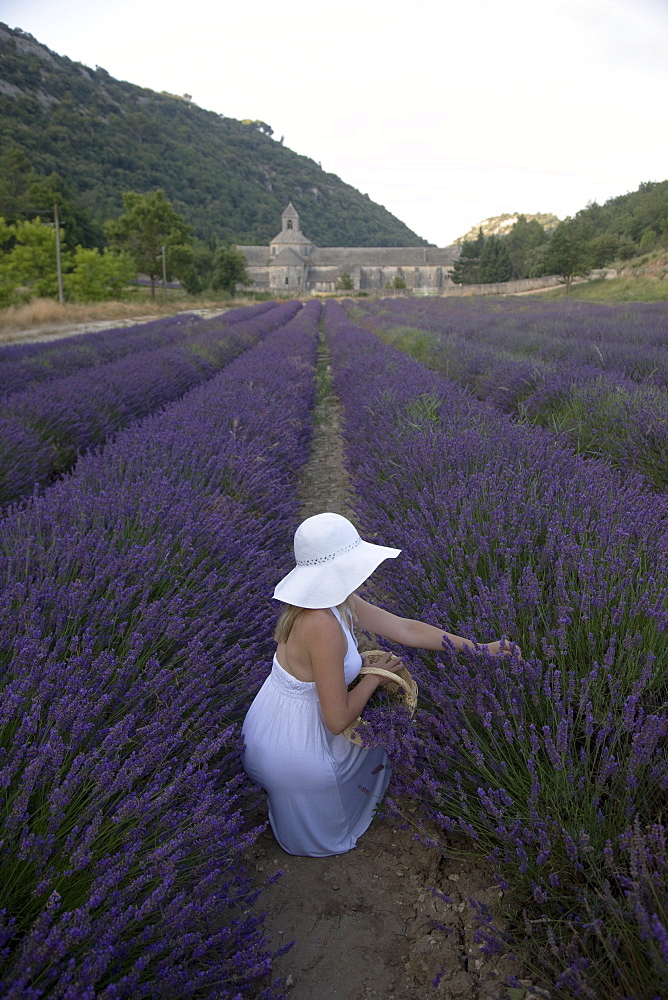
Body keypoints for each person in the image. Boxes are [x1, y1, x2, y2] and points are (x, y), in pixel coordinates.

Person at [242, 512, 518, 858]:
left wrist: (480, 649)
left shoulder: (331, 602)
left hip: (271, 725)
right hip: (299, 751)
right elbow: (338, 721)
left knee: (378, 743)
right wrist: (374, 677)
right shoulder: (322, 626)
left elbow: (405, 629)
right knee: (378, 752)